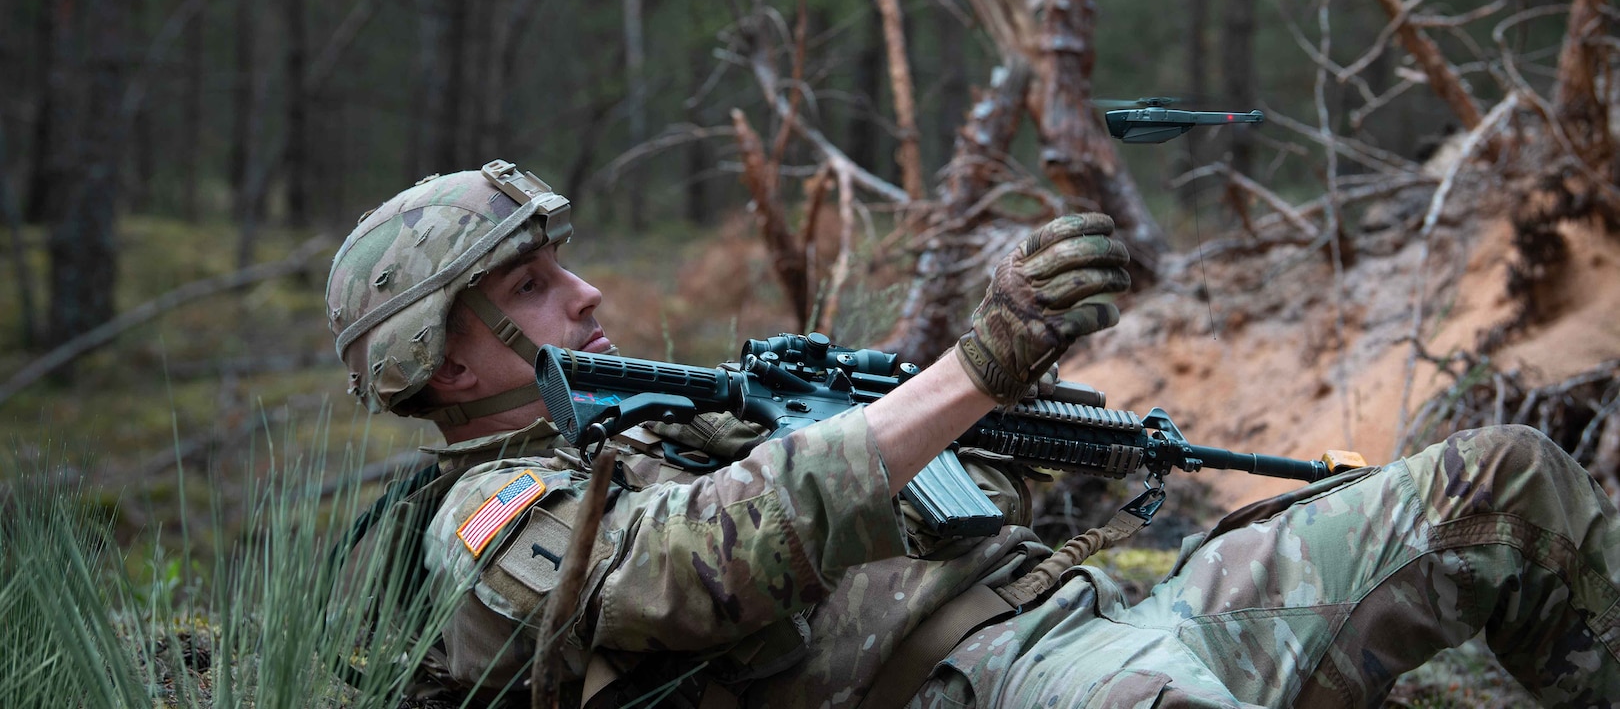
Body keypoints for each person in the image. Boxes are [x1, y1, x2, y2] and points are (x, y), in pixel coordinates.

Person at [328, 159, 1620, 708]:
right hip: (997, 686)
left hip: (1114, 620)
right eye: (532, 290)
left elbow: (959, 485)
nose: (586, 294)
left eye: (568, 267)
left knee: (1498, 484)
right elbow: (684, 565)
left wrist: (1008, 418)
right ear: (437, 358)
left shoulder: (691, 409)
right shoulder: (486, 516)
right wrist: (964, 373)